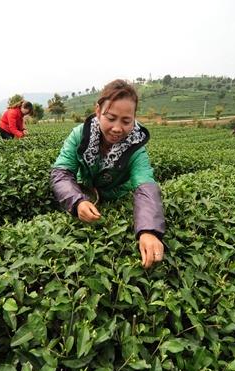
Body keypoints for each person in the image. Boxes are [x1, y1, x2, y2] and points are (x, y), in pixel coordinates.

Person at [50, 79, 166, 269]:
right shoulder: (80, 135)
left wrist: (149, 230)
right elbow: (61, 172)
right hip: (85, 194)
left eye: (126, 121)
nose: (118, 128)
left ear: (134, 118)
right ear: (98, 111)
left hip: (117, 197)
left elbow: (145, 185)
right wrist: (77, 201)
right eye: (111, 118)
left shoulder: (135, 147)